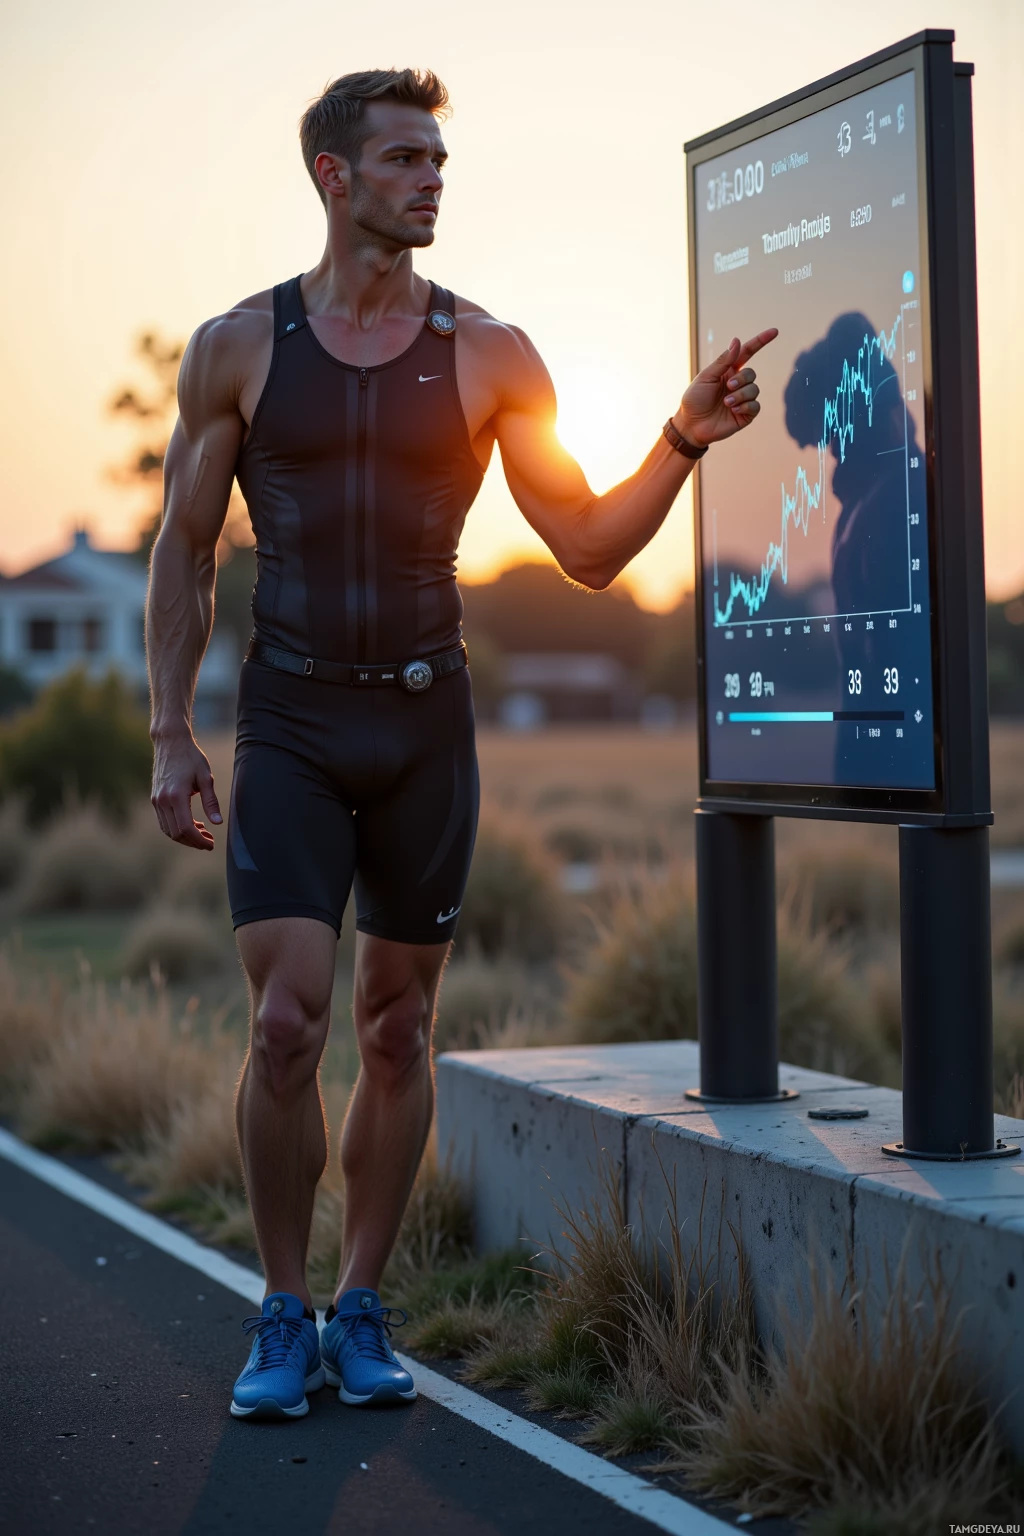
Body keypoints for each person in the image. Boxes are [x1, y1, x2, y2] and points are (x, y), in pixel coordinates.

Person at [146, 67, 776, 1421]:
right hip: (294, 716)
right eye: (406, 159)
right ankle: (278, 1303)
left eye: (441, 160)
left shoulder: (491, 353)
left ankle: (360, 1300)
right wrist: (166, 729)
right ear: (335, 176)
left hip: (428, 720)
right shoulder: (238, 348)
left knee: (394, 1025)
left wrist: (679, 437)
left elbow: (594, 551)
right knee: (284, 1020)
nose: (434, 179)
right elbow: (185, 556)